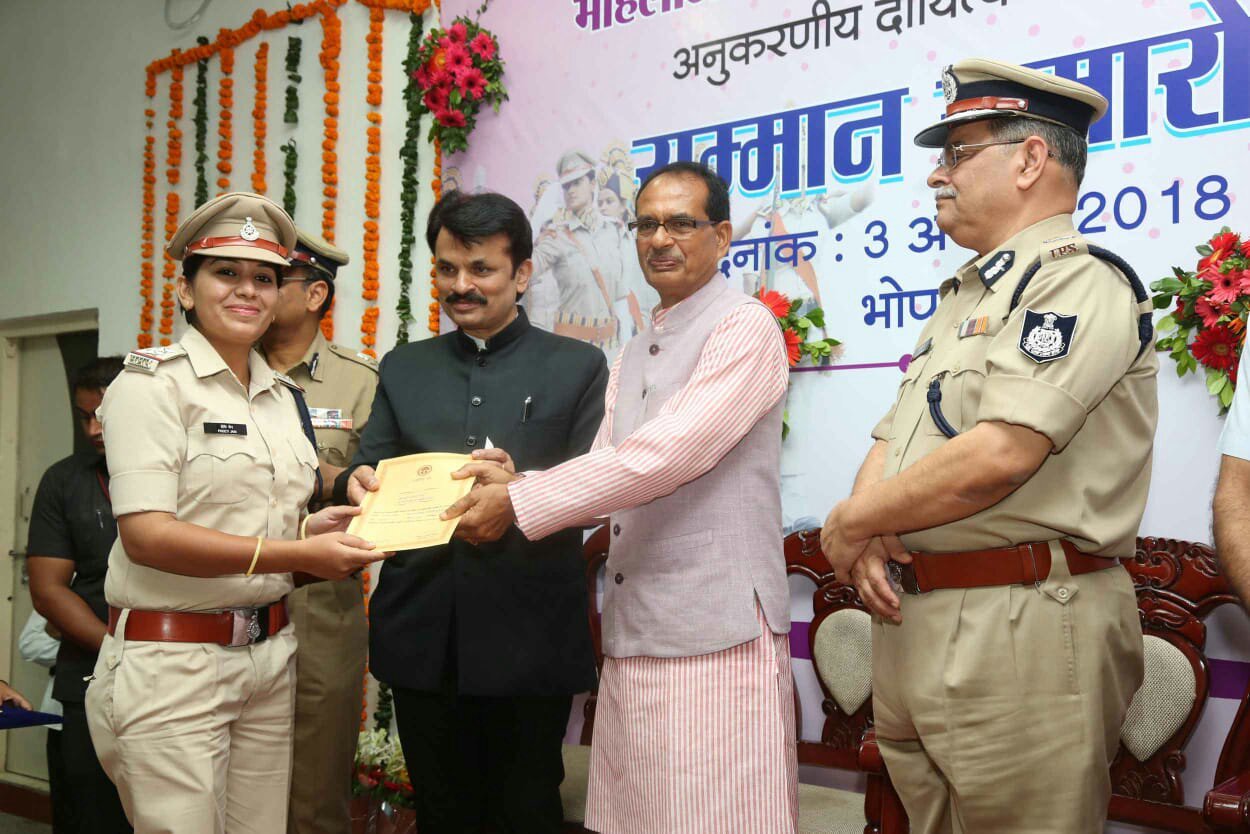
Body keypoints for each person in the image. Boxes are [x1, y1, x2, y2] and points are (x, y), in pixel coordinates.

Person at [819, 58, 1155, 833]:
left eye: (957, 154)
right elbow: (896, 436)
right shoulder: (965, 296)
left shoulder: (1076, 283)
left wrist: (850, 522)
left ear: (1031, 159)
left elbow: (1002, 453)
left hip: (1023, 622)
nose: (937, 175)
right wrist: (867, 525)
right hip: (918, 619)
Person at [446, 161, 798, 833]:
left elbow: (666, 456)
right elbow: (607, 473)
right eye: (646, 224)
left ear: (723, 236)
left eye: (680, 223)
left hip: (716, 628)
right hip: (639, 625)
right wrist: (517, 483)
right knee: (641, 814)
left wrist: (523, 499)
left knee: (718, 816)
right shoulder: (637, 348)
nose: (659, 239)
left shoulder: (744, 327)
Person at [85, 192, 388, 834]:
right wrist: (297, 553)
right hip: (173, 663)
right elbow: (147, 537)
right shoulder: (151, 385)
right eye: (226, 272)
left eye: (265, 278)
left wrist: (312, 531)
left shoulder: (281, 397)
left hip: (268, 659)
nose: (248, 289)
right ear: (186, 290)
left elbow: (256, 525)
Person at [337, 190, 608, 834]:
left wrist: (520, 493)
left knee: (526, 811)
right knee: (441, 813)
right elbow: (367, 466)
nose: (461, 286)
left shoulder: (578, 365)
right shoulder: (406, 367)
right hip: (421, 634)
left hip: (530, 637)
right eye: (447, 268)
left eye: (481, 269)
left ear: (522, 273)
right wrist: (356, 482)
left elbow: (596, 490)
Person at [259, 227, 376, 834]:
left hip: (320, 606)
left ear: (314, 294)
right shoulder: (221, 373)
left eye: (272, 279)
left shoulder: (361, 381)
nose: (253, 290)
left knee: (316, 792)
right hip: (230, 590)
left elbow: (378, 489)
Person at [26, 355, 129, 834]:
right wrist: (116, 651)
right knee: (92, 815)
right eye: (83, 417)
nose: (92, 430)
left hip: (180, 671)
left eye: (102, 416)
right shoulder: (65, 480)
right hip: (89, 674)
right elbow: (48, 592)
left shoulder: (186, 471)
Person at [527, 150, 630, 352]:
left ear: (592, 184)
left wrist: (626, 346)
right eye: (566, 186)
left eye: (577, 183)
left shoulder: (615, 231)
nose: (571, 191)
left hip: (610, 347)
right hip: (571, 349)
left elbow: (621, 297)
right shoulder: (556, 237)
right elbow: (523, 275)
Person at [18, 611, 72, 834]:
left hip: (130, 718)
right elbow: (31, 645)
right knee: (69, 810)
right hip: (66, 718)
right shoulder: (64, 592)